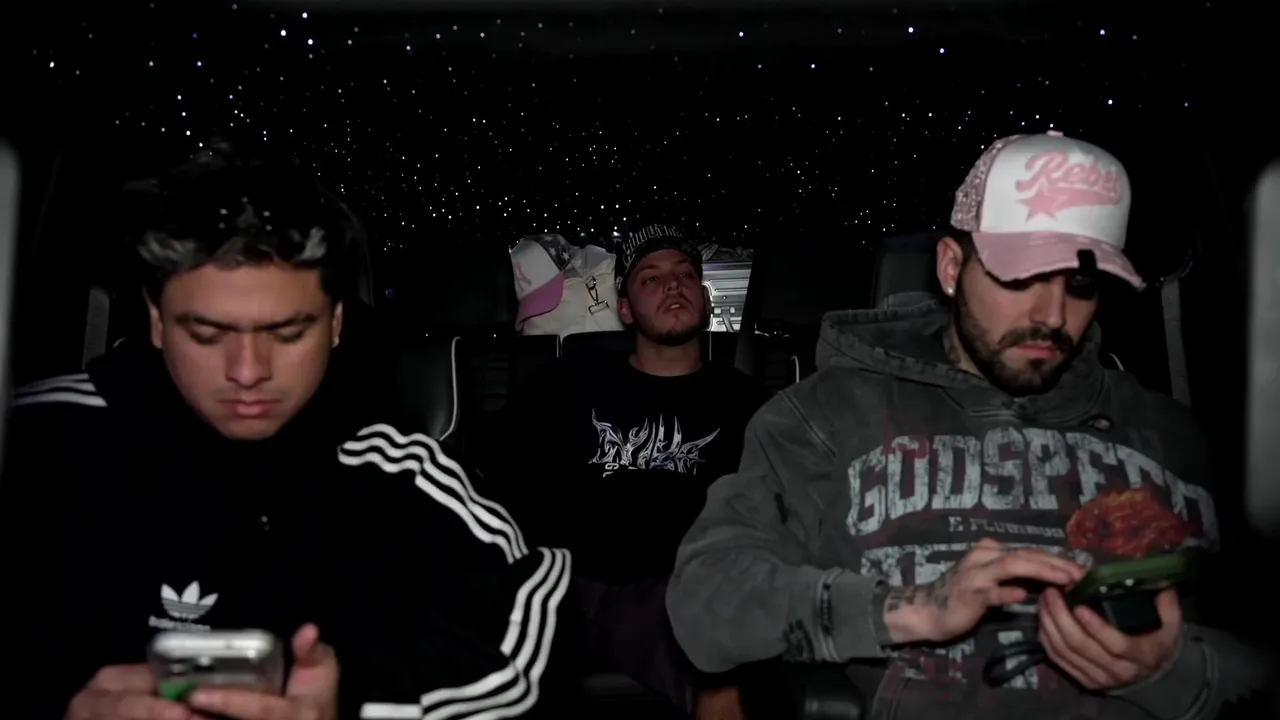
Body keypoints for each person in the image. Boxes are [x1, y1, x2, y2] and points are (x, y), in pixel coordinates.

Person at [667, 132, 1269, 719]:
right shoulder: (824, 418)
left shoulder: (1171, 438)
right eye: (1020, 277)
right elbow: (707, 599)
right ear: (953, 267)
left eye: (1080, 283)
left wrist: (1176, 672)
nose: (1052, 315)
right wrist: (910, 609)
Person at [1, 144, 571, 720]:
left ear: (336, 323)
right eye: (206, 333)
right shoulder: (34, 444)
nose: (248, 371)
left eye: (289, 332)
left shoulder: (392, 472)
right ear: (156, 320)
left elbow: (520, 628)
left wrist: (345, 702)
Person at [470, 223, 771, 718]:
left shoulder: (751, 404)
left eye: (685, 275)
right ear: (625, 309)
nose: (672, 285)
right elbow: (493, 471)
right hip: (577, 588)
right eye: (651, 278)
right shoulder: (569, 382)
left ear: (705, 298)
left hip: (694, 591)